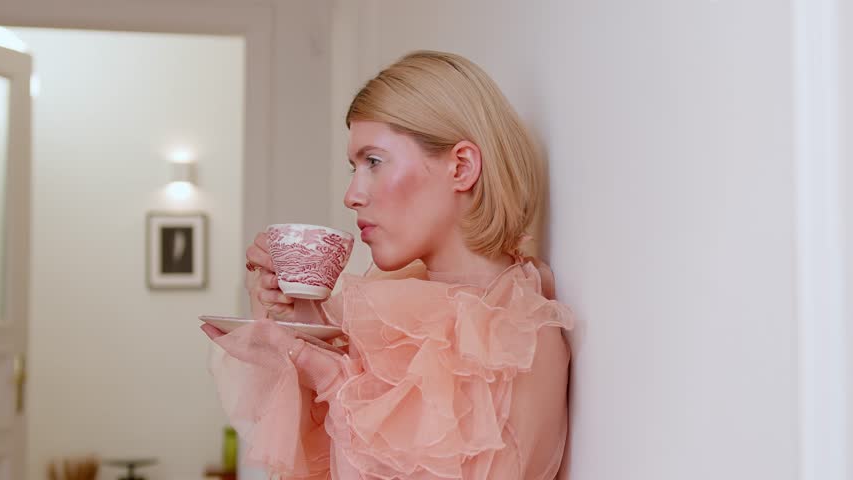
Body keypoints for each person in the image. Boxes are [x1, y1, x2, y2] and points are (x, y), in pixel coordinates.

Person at [201, 50, 575, 480]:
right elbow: (316, 461)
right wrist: (300, 324)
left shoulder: (521, 334)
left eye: (374, 161)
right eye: (353, 167)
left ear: (462, 166)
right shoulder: (380, 315)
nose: (352, 195)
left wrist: (329, 378)